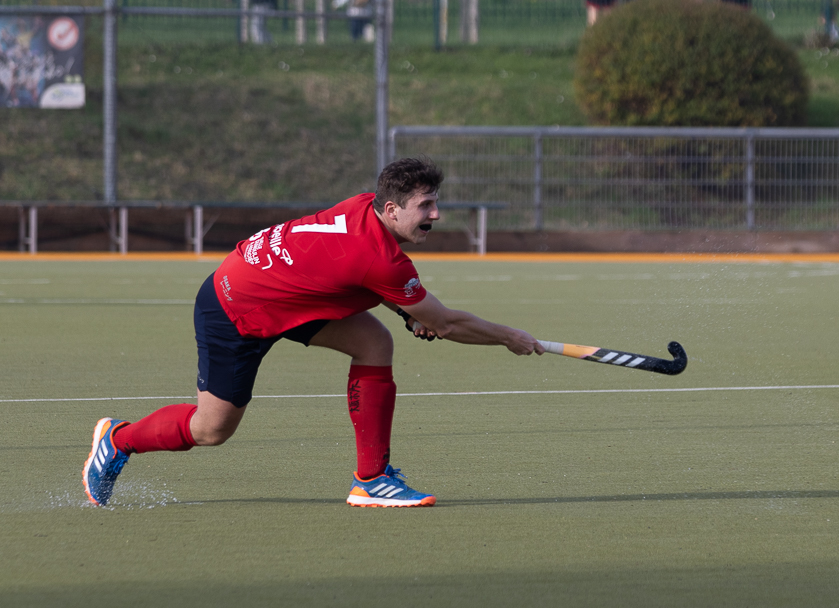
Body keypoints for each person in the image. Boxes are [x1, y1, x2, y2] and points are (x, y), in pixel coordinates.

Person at [83, 157, 544, 508]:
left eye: (435, 203)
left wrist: (406, 314)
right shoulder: (381, 258)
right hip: (235, 307)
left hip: (279, 293)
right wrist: (509, 336)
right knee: (211, 429)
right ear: (390, 208)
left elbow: (363, 279)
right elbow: (445, 323)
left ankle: (371, 479)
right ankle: (118, 439)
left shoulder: (367, 213)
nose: (436, 215)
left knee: (373, 342)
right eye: (426, 206)